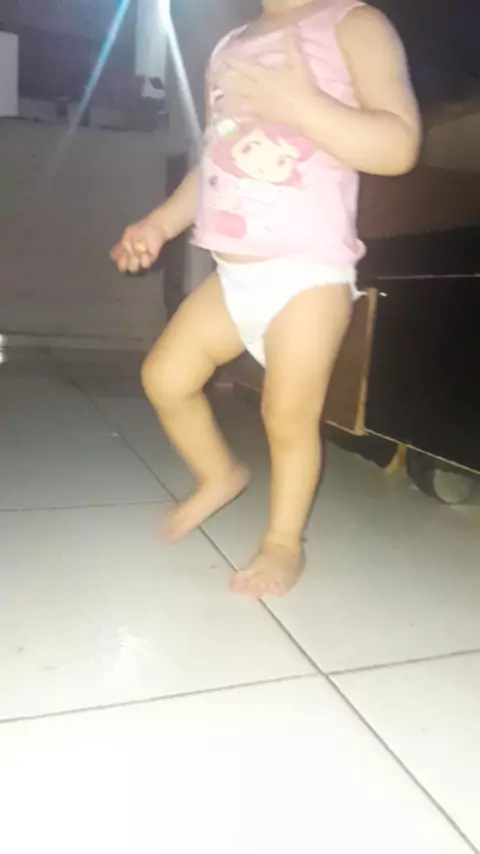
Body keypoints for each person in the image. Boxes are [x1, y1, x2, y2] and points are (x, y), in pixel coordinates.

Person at [110, 0, 420, 598]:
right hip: (232, 277)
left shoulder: (355, 24)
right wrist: (159, 223)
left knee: (287, 415)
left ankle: (283, 541)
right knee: (164, 378)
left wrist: (306, 108)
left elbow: (399, 146)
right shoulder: (230, 46)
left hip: (309, 276)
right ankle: (218, 475)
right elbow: (216, 154)